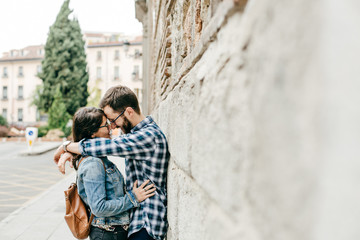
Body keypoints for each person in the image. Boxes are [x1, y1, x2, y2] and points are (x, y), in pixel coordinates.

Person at [54, 85, 170, 240]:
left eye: (113, 120)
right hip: (137, 222)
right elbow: (101, 146)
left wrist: (66, 146)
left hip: (146, 222)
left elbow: (108, 146)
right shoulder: (135, 135)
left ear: (129, 111)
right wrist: (70, 150)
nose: (112, 127)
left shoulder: (148, 136)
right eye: (108, 123)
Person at [70, 107, 156, 240]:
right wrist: (133, 198)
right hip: (107, 233)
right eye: (106, 125)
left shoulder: (99, 158)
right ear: (92, 133)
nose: (111, 128)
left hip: (113, 232)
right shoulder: (93, 163)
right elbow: (99, 208)